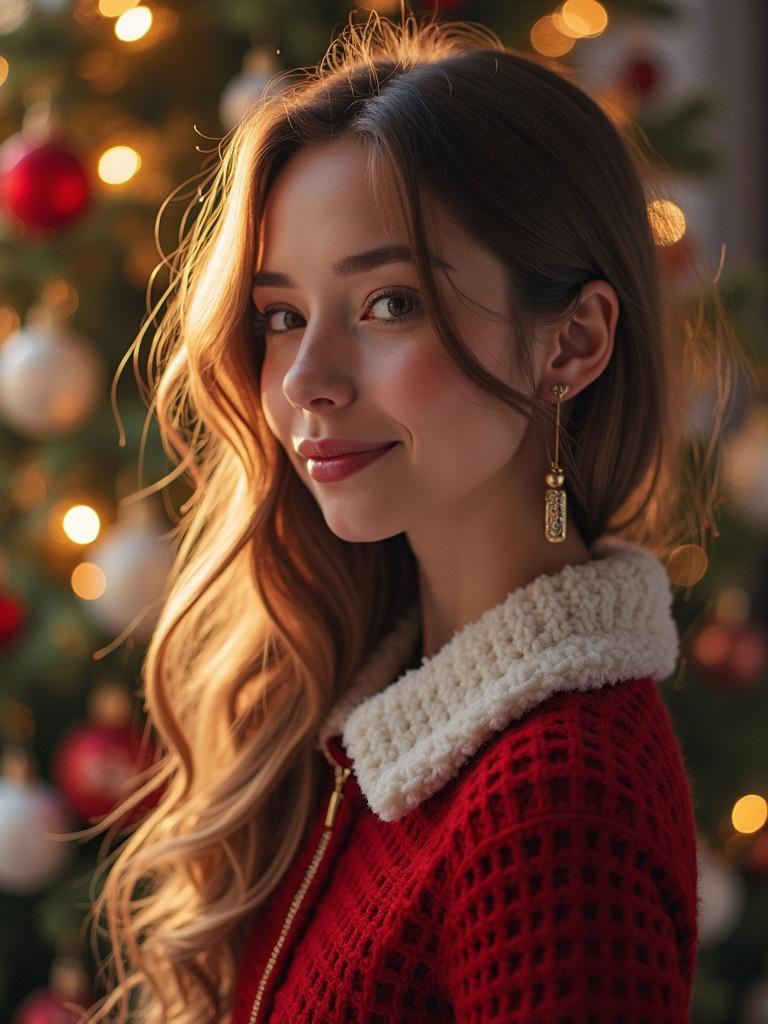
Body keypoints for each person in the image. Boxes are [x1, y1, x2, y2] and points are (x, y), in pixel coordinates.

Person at [75, 7, 746, 1024]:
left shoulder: (554, 810)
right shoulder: (362, 716)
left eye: (389, 303)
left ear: (571, 343)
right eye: (280, 315)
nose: (305, 379)